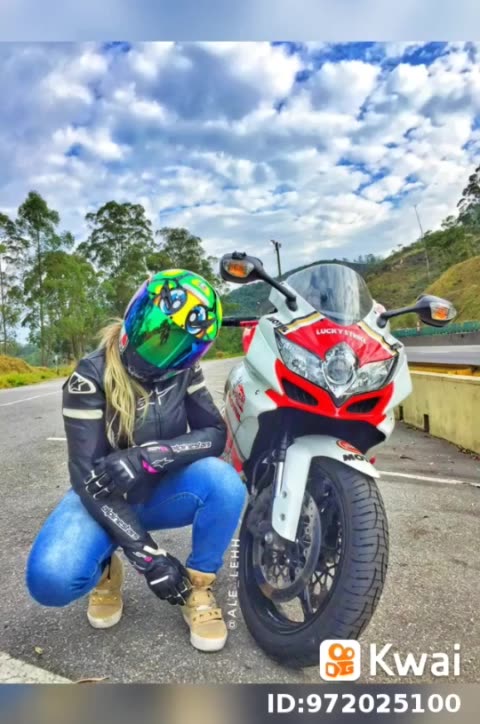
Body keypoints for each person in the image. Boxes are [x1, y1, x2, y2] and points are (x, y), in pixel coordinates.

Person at [26, 270, 246, 653]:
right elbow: (86, 477)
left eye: (179, 344)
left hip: (162, 492)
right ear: (135, 314)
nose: (161, 348)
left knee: (226, 483)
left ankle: (198, 586)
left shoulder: (184, 371)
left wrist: (151, 456)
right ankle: (105, 570)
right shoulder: (89, 376)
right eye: (156, 331)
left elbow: (214, 433)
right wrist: (149, 557)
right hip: (102, 499)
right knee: (50, 579)